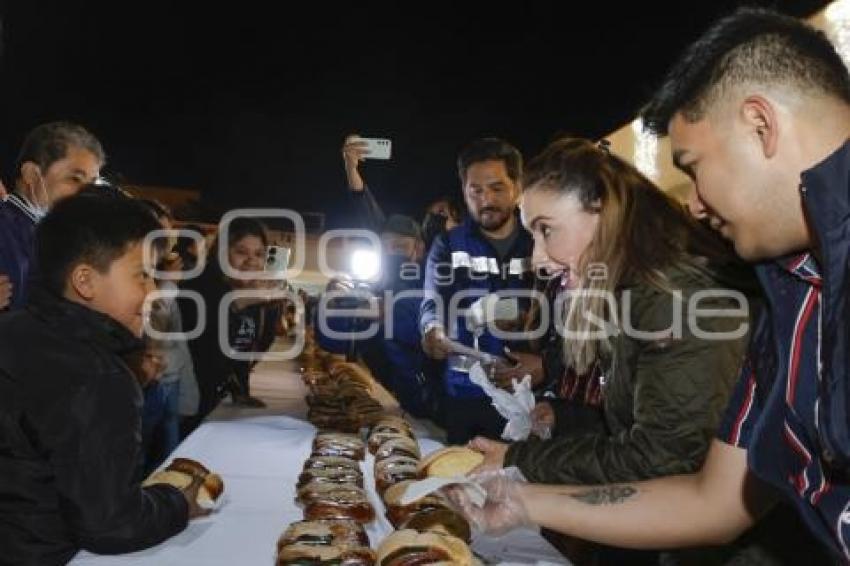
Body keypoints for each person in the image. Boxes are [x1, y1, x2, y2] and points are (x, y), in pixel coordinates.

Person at [446, 8, 850, 563]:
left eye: (693, 165)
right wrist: (522, 501)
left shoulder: (687, 295)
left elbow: (664, 457)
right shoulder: (789, 287)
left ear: (762, 125)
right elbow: (715, 500)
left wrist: (530, 470)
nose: (693, 202)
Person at [0, 192, 205, 564]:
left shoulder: (13, 330)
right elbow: (111, 523)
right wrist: (177, 504)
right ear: (85, 281)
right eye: (141, 275)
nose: (153, 292)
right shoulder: (98, 376)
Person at [419, 137, 537, 444]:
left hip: (529, 394)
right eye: (476, 190)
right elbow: (433, 300)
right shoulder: (448, 244)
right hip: (464, 394)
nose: (485, 200)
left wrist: (547, 362)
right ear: (464, 191)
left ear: (517, 187)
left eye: (497, 188)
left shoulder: (539, 242)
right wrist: (432, 328)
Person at [180, 218, 282, 429]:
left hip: (218, 402)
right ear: (221, 253)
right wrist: (239, 302)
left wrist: (241, 391)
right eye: (241, 252)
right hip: (188, 406)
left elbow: (244, 351)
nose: (251, 262)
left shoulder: (253, 293)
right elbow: (201, 349)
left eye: (259, 254)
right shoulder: (197, 287)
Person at [0, 122, 104, 310]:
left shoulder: (61, 235)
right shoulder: (5, 229)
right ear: (31, 174)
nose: (86, 194)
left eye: (91, 185)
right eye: (75, 179)